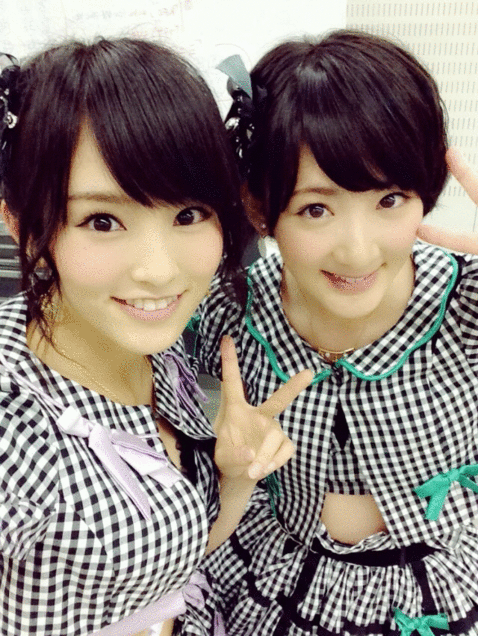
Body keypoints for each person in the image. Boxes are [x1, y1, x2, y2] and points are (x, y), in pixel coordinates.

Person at [0, 40, 311, 636]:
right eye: (102, 220)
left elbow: (172, 565)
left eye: (188, 214)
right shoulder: (18, 429)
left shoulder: (155, 346)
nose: (159, 271)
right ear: (23, 224)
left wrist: (235, 478)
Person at [185, 30, 478, 636]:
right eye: (315, 209)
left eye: (390, 199)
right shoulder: (229, 310)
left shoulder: (467, 300)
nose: (358, 251)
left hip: (446, 576)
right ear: (261, 208)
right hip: (277, 570)